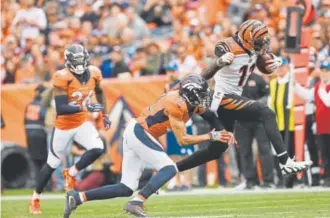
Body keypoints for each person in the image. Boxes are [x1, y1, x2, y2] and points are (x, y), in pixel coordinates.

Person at [63, 74, 234, 218]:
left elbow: (211, 117)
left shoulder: (189, 102)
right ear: (191, 93)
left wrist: (224, 132)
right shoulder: (176, 103)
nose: (204, 97)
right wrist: (211, 135)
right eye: (201, 93)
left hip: (138, 132)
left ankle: (77, 198)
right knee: (169, 168)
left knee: (126, 187)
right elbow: (183, 140)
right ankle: (137, 201)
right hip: (140, 132)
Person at [176, 19, 313, 177]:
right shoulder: (228, 47)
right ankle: (285, 162)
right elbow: (204, 76)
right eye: (259, 41)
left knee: (215, 151)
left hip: (230, 101)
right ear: (247, 38)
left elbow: (263, 63)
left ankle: (171, 168)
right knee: (266, 112)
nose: (263, 44)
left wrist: (270, 65)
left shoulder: (254, 49)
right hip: (222, 98)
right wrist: (219, 62)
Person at [29, 44, 111, 214]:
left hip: (81, 123)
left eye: (81, 60)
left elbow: (101, 92)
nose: (80, 65)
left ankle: (71, 172)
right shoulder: (62, 77)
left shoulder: (94, 73)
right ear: (68, 62)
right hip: (63, 126)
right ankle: (35, 198)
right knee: (52, 163)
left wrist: (105, 114)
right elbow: (61, 108)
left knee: (98, 148)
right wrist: (86, 107)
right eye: (76, 61)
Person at [235, 70, 274, 189]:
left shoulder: (258, 79)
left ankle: (268, 180)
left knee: (264, 149)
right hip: (241, 121)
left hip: (259, 120)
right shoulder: (233, 80)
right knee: (244, 151)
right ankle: (250, 180)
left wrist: (255, 105)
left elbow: (267, 96)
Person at [295, 61, 330, 187]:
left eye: (327, 71)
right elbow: (307, 96)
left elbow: (327, 102)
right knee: (324, 153)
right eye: (323, 71)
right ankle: (326, 178)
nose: (324, 74)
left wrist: (320, 89)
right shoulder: (317, 87)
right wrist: (295, 85)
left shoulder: (320, 88)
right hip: (321, 126)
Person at [24, 84, 48, 186]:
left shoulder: (29, 105)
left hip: (30, 135)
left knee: (35, 161)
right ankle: (46, 184)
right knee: (45, 160)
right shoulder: (42, 105)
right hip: (40, 134)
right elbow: (45, 118)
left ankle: (38, 183)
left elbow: (25, 121)